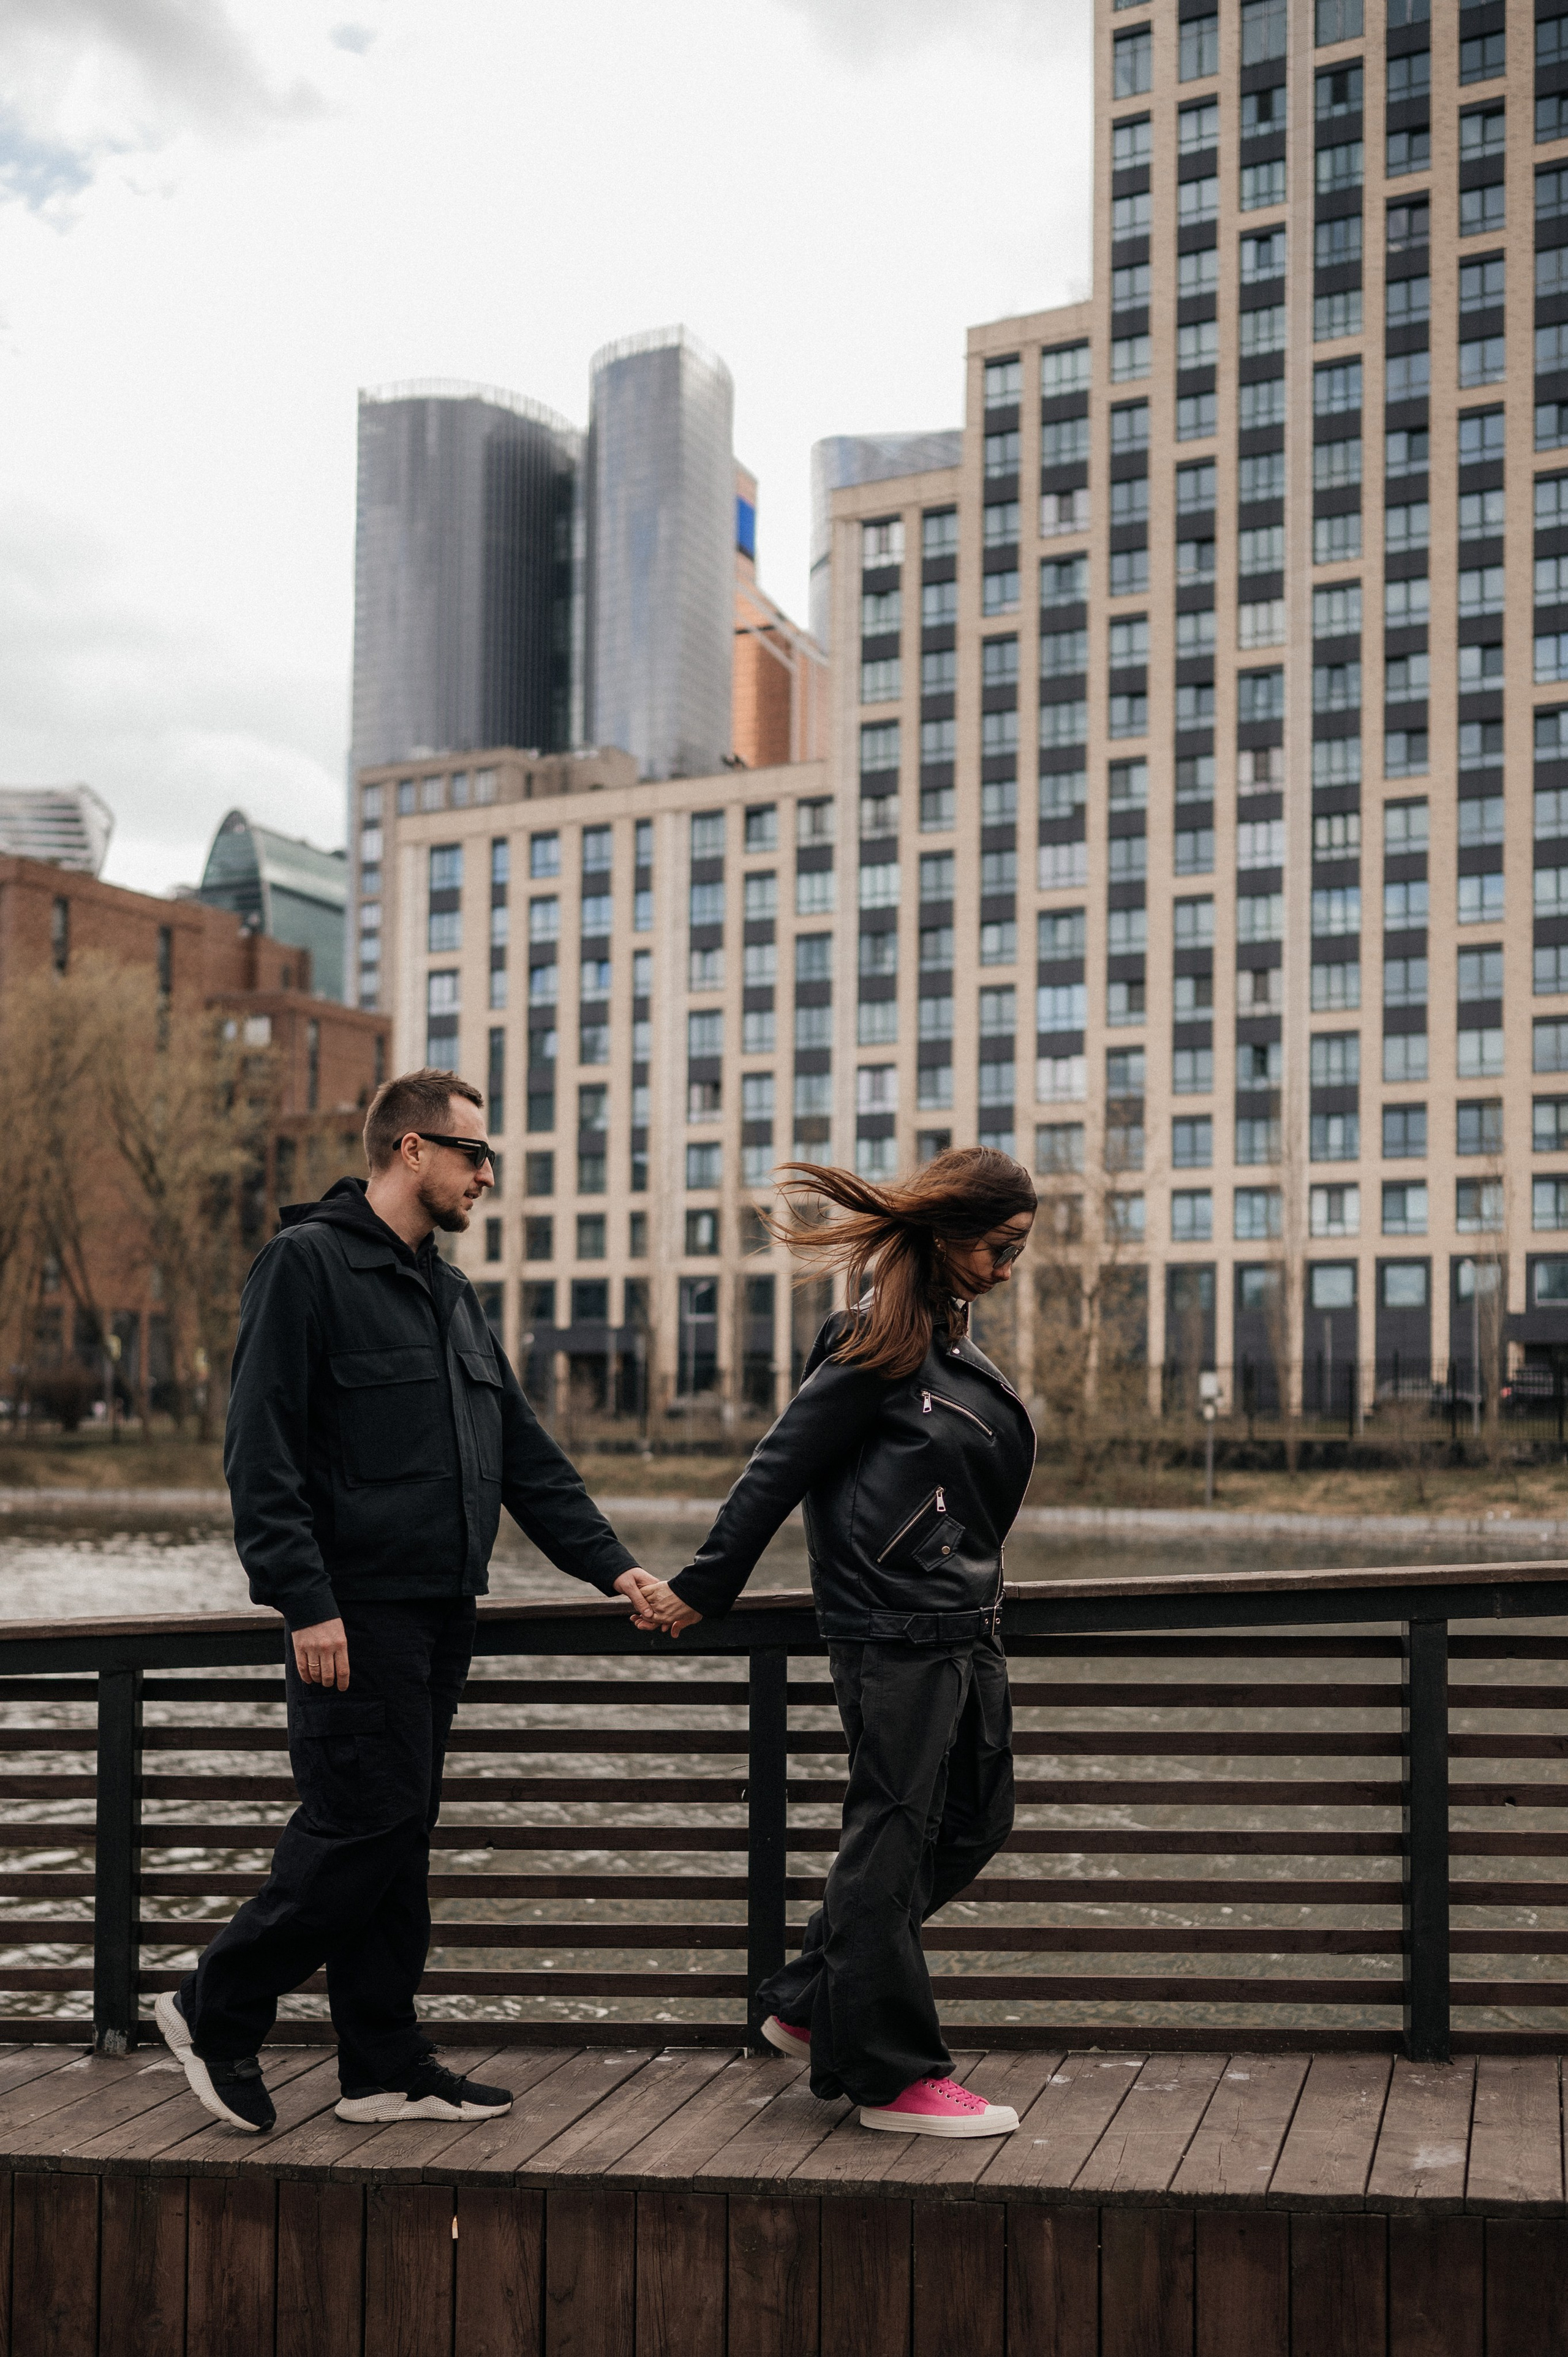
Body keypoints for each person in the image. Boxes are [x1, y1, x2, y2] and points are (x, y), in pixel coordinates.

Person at [156, 1067, 655, 2133]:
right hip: (353, 1613)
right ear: (411, 1151)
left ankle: (380, 2064)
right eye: (476, 1154)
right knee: (362, 1827)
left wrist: (616, 1567)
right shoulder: (304, 1268)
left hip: (440, 1613)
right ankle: (214, 2006)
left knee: (400, 1838)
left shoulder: (450, 1293)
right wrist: (305, 1601)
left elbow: (526, 1457)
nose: (489, 1175)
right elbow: (261, 1455)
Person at [630, 1147, 1036, 2139]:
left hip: (965, 1627)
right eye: (998, 1248)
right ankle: (892, 2073)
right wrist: (701, 1589)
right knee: (888, 1839)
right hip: (893, 1630)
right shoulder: (874, 1344)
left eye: (1019, 1250)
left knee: (978, 1821)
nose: (1009, 1268)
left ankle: (816, 1998)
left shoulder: (950, 1343)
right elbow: (777, 1469)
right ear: (946, 1240)